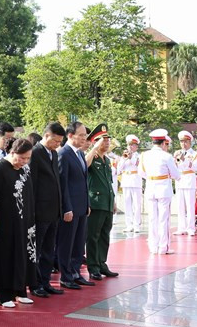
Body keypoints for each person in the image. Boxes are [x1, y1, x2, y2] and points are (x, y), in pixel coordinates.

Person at [0, 138, 36, 307]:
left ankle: (21, 290)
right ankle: (3, 294)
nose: (24, 161)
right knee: (5, 255)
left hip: (25, 220)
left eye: (28, 158)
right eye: (22, 158)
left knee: (22, 253)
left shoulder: (25, 169)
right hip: (5, 220)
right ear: (12, 152)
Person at [29, 122, 66, 298]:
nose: (58, 144)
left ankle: (45, 282)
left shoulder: (52, 153)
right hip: (40, 211)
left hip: (53, 211)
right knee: (37, 249)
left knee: (49, 250)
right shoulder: (35, 153)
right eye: (56, 140)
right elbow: (32, 184)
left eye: (60, 142)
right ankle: (35, 284)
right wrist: (33, 211)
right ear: (47, 136)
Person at [57, 121, 93, 289]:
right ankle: (66, 276)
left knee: (79, 242)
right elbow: (63, 184)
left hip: (81, 206)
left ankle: (76, 272)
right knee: (67, 243)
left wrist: (87, 204)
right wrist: (67, 207)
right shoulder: (63, 154)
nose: (84, 138)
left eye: (85, 135)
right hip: (70, 208)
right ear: (70, 135)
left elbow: (83, 182)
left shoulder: (79, 154)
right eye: (81, 135)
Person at [84, 124, 119, 279]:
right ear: (95, 142)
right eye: (103, 140)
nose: (107, 143)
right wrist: (94, 148)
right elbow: (84, 165)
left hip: (107, 202)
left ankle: (102, 263)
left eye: (107, 140)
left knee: (105, 234)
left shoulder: (106, 160)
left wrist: (114, 201)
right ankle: (93, 266)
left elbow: (109, 182)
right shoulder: (92, 156)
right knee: (93, 235)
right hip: (96, 202)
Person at [140, 129, 181, 255]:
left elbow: (141, 173)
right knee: (164, 219)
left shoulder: (144, 155)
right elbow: (176, 175)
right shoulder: (167, 156)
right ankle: (163, 247)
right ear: (163, 143)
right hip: (163, 188)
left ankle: (153, 246)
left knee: (152, 218)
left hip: (150, 187)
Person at [173, 131, 197, 237]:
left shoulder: (195, 154)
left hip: (189, 180)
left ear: (190, 142)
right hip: (179, 180)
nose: (183, 144)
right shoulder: (177, 153)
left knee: (190, 206)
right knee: (180, 206)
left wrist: (184, 160)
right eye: (182, 142)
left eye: (186, 142)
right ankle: (181, 227)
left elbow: (196, 167)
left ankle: (191, 227)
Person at [118, 134, 143, 233]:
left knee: (137, 205)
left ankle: (136, 225)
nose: (130, 147)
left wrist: (131, 157)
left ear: (136, 146)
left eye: (132, 145)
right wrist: (124, 159)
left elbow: (137, 165)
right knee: (127, 204)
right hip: (126, 181)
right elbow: (119, 169)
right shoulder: (123, 156)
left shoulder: (139, 156)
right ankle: (129, 225)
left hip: (136, 181)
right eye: (129, 145)